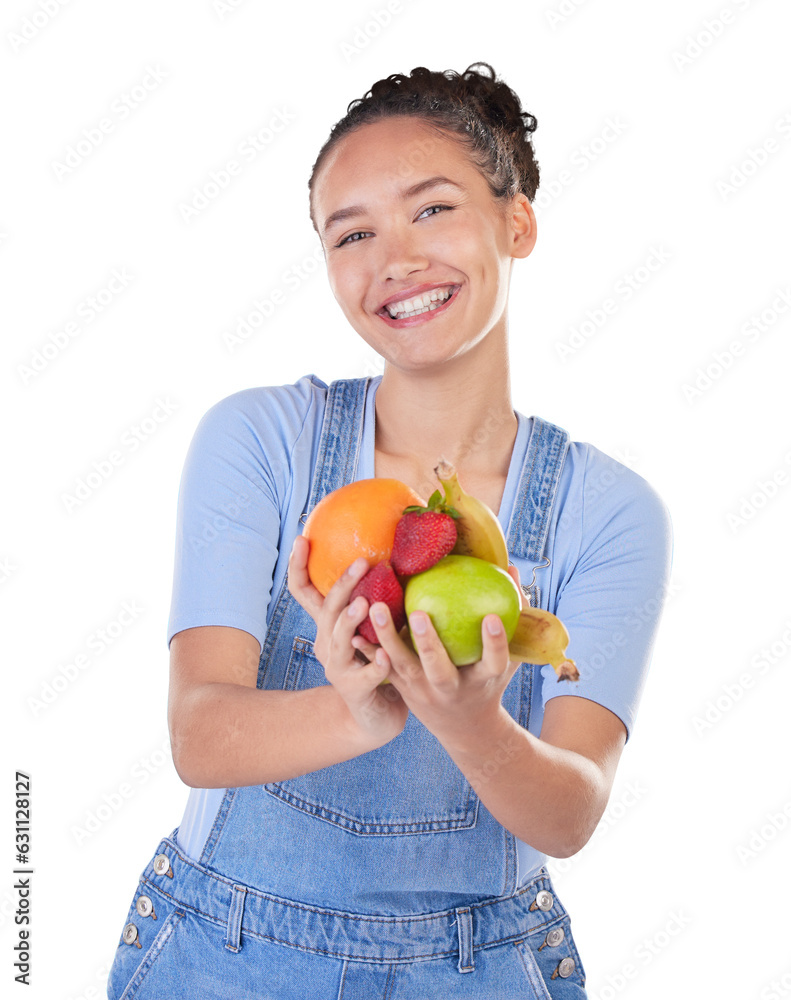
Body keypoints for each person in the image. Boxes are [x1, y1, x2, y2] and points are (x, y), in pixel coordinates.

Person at [106, 62, 672, 999]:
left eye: (432, 209)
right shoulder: (262, 440)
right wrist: (354, 711)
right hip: (224, 955)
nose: (394, 259)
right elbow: (199, 735)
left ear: (517, 223)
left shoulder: (607, 511)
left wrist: (470, 722)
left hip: (478, 970)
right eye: (353, 233)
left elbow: (569, 813)